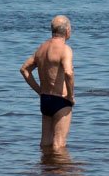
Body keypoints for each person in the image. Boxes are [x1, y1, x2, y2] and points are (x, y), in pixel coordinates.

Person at [21, 15, 75, 149]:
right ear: (67, 30)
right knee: (59, 145)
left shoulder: (42, 48)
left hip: (45, 100)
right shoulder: (65, 49)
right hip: (61, 101)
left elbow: (24, 70)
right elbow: (69, 73)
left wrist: (39, 90)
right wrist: (70, 96)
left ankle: (45, 168)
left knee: (45, 143)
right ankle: (60, 169)